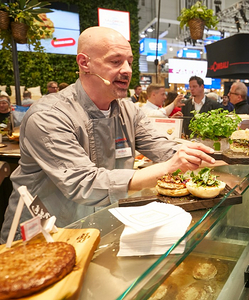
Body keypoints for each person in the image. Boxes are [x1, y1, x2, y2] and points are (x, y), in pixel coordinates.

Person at [0, 26, 216, 243]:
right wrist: (167, 168)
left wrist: (208, 156)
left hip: (98, 226)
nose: (127, 70)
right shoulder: (49, 115)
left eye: (129, 62)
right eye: (116, 61)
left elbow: (162, 147)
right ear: (84, 63)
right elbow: (84, 182)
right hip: (43, 235)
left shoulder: (128, 110)